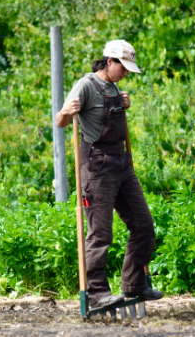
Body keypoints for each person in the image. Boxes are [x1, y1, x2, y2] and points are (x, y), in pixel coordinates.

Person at [56, 40, 163, 309]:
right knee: (100, 233)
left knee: (143, 225)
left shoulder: (115, 87)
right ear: (110, 61)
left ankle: (135, 284)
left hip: (122, 163)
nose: (126, 73)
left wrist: (124, 103)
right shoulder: (85, 85)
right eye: (123, 67)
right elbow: (59, 121)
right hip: (97, 166)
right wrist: (67, 113)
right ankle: (96, 295)